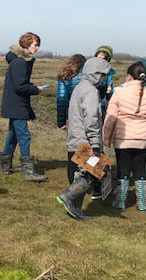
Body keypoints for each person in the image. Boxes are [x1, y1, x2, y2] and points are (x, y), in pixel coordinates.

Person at [57, 57, 111, 220]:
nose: (104, 79)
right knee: (99, 170)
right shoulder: (91, 91)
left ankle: (75, 208)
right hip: (85, 142)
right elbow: (91, 119)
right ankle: (68, 197)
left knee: (83, 173)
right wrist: (95, 145)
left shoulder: (80, 87)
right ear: (96, 74)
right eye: (103, 75)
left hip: (76, 139)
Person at [0, 32, 47, 181]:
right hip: (17, 104)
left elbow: (19, 84)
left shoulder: (19, 60)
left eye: (38, 45)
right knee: (24, 135)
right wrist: (35, 89)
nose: (37, 48)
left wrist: (32, 87)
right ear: (26, 44)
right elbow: (20, 86)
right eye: (35, 45)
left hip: (14, 104)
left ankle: (5, 167)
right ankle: (28, 172)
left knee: (13, 135)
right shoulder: (20, 62)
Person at [103, 62, 146, 211]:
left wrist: (106, 138)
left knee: (123, 170)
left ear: (129, 77)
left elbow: (111, 117)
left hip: (123, 139)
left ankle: (120, 201)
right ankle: (142, 203)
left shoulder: (119, 92)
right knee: (141, 171)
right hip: (142, 140)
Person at [56, 54, 86, 183]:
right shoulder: (86, 77)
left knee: (73, 147)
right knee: (90, 145)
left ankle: (73, 183)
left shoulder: (64, 76)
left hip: (72, 115)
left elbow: (61, 99)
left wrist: (61, 121)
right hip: (87, 113)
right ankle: (94, 183)